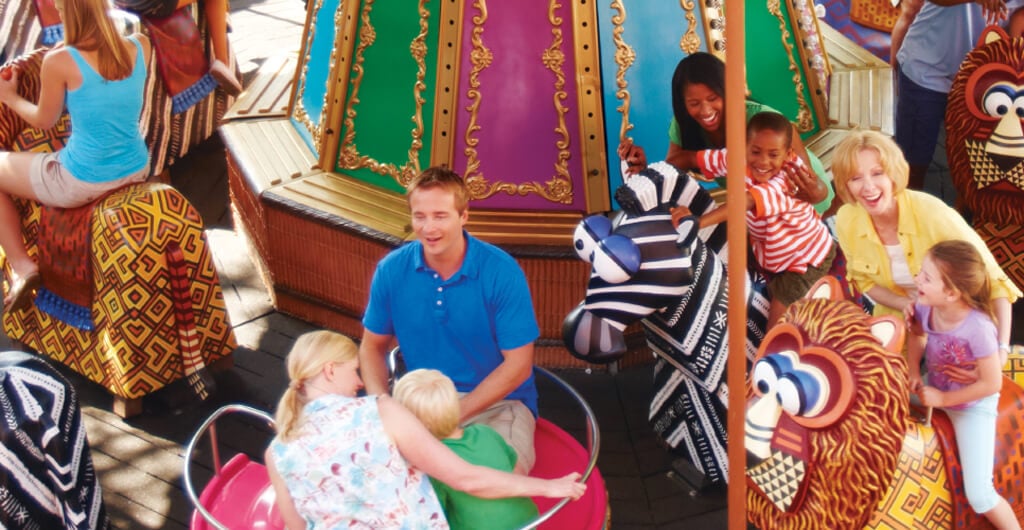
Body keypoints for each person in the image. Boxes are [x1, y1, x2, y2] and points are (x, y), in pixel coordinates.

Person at [266, 331, 585, 530]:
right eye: (355, 371)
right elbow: (466, 478)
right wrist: (547, 487)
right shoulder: (378, 410)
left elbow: (295, 525)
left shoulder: (276, 452)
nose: (361, 383)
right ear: (329, 370)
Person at [359, 166, 540, 474]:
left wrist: (454, 414)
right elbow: (371, 347)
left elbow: (519, 365)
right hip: (421, 401)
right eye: (420, 216)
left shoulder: (501, 272)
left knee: (494, 485)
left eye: (440, 216)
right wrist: (382, 404)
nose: (429, 227)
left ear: (464, 215)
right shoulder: (391, 270)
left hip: (497, 405)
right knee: (373, 478)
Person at [0, 0, 151, 314]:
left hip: (84, 180)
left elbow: (44, 121)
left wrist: (9, 97)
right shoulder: (140, 45)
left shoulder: (59, 62)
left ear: (64, 10)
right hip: (137, 166)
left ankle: (22, 266)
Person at [832, 130, 1021, 356]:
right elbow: (864, 282)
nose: (868, 187)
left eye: (877, 173)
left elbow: (995, 282)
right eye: (855, 178)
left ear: (893, 174)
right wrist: (906, 305)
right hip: (900, 320)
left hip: (960, 322)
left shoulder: (933, 214)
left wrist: (1000, 348)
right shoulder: (846, 219)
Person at [617, 51, 834, 215]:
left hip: (798, 209)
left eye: (713, 99)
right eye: (694, 103)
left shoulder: (763, 120)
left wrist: (816, 192)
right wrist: (645, 169)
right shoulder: (684, 122)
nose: (705, 111)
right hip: (758, 213)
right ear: (683, 104)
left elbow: (812, 188)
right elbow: (674, 164)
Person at [904, 240, 1020, 530]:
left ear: (952, 293)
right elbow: (917, 336)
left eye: (926, 277)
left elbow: (992, 383)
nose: (917, 279)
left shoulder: (978, 328)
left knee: (980, 495)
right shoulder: (924, 306)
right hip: (933, 388)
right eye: (921, 272)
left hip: (972, 406)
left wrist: (943, 399)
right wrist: (912, 371)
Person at [682, 111, 835, 324]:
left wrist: (698, 222)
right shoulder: (737, 158)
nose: (763, 161)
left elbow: (746, 201)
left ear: (789, 155)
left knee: (778, 316)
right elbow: (694, 159)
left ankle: (769, 353)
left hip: (803, 258)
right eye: (755, 151)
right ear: (744, 146)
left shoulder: (787, 180)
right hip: (768, 246)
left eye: (773, 155)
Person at [394, 369, 539, 530]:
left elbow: (433, 514)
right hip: (529, 522)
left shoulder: (430, 462)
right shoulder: (486, 432)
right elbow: (515, 469)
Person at [891, 0, 1014, 190]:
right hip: (926, 72)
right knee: (912, 163)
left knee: (970, 161)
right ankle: (903, 208)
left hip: (976, 79)